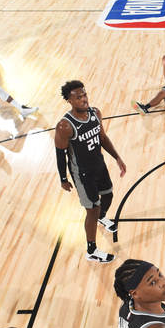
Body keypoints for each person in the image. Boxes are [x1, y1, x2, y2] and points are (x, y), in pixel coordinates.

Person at [55, 80, 126, 263]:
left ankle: (102, 217)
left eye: (84, 95)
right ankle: (91, 250)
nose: (84, 99)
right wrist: (63, 178)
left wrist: (117, 157)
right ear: (69, 101)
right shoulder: (65, 125)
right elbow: (60, 153)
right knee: (92, 210)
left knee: (108, 196)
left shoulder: (95, 113)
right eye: (78, 97)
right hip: (83, 174)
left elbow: (102, 137)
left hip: (99, 166)